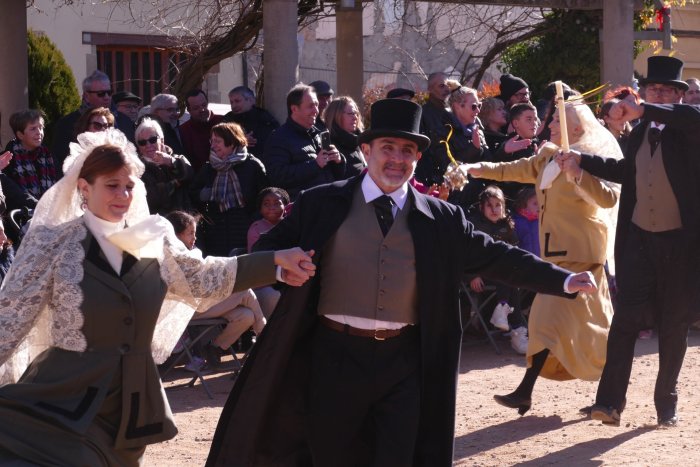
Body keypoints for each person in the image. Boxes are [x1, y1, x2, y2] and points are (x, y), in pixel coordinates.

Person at [206, 98, 597, 466]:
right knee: (331, 456)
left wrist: (563, 280)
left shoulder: (441, 218)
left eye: (407, 151)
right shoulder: (321, 203)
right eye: (387, 148)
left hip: (405, 362)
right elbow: (270, 250)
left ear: (417, 158)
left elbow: (496, 255)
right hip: (333, 356)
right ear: (366, 150)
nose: (396, 159)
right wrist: (279, 265)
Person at [0, 128, 314, 465]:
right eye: (112, 185)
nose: (123, 195)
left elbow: (204, 277)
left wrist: (274, 263)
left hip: (129, 413)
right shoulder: (53, 244)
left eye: (130, 187)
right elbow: (10, 319)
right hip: (58, 403)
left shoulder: (153, 238)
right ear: (83, 188)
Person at [561, 56, 700, 427]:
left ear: (680, 96)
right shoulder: (639, 131)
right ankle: (608, 402)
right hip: (640, 241)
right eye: (654, 88)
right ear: (645, 90)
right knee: (624, 322)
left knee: (674, 326)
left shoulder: (690, 125)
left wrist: (645, 107)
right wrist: (582, 160)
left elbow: (694, 118)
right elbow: (627, 172)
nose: (661, 94)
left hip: (681, 247)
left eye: (669, 90)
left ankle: (665, 402)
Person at [464, 95, 621, 416]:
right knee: (592, 329)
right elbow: (512, 170)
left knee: (544, 320)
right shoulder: (547, 158)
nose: (547, 124)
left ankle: (526, 390)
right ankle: (610, 394)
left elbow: (607, 199)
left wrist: (579, 172)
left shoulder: (591, 158)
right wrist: (476, 168)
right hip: (554, 256)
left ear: (574, 127)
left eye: (555, 120)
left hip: (582, 255)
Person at [166, 210, 266, 368]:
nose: (195, 238)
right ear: (177, 236)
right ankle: (265, 337)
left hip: (202, 305)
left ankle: (215, 348)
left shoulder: (189, 254)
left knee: (246, 315)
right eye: (190, 233)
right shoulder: (175, 257)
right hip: (187, 311)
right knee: (243, 290)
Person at [467, 185, 529, 354]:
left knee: (511, 275)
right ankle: (515, 327)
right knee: (507, 274)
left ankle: (507, 316)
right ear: (481, 207)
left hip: (502, 274)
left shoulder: (507, 225)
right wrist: (472, 275)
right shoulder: (474, 225)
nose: (494, 209)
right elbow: (464, 254)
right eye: (489, 205)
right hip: (480, 273)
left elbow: (515, 251)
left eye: (498, 205)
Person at [190, 122, 267, 255]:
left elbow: (265, 196)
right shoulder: (209, 168)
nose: (213, 145)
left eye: (217, 141)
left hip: (245, 230)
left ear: (231, 142)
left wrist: (253, 220)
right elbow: (192, 194)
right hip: (216, 233)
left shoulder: (252, 166)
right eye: (212, 141)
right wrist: (202, 195)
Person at [262, 84, 345, 200]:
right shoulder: (279, 138)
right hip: (302, 209)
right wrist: (315, 165)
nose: (316, 110)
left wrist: (338, 161)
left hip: (326, 204)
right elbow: (278, 177)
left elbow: (333, 174)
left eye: (316, 105)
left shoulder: (319, 134)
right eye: (311, 106)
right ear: (294, 109)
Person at [51, 70, 135, 173]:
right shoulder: (67, 124)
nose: (106, 97)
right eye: (101, 94)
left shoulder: (124, 122)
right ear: (86, 96)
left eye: (109, 92)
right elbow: (60, 162)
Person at [134, 118, 194, 214]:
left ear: (161, 140)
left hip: (185, 218)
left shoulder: (176, 157)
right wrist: (175, 183)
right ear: (139, 147)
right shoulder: (136, 168)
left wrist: (171, 162)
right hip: (158, 221)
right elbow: (149, 196)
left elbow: (190, 175)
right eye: (142, 142)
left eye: (152, 140)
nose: (148, 145)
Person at [246, 187, 289, 318]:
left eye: (277, 203)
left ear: (285, 206)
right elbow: (257, 262)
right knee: (273, 296)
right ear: (260, 208)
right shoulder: (256, 228)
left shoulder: (291, 226)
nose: (272, 207)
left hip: (289, 277)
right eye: (266, 204)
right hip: (264, 281)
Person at [5, 109, 57, 199]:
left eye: (41, 127)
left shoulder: (48, 156)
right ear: (20, 135)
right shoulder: (8, 160)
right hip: (21, 211)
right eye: (33, 129)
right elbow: (12, 195)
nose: (39, 132)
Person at [415, 71, 452, 185]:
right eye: (441, 86)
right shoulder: (422, 113)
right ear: (430, 89)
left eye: (448, 85)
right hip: (430, 176)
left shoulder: (452, 112)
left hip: (451, 172)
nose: (446, 89)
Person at [223, 86, 279, 158]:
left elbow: (273, 141)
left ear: (251, 100)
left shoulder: (264, 118)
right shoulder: (227, 119)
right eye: (231, 102)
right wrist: (239, 141)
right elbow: (217, 141)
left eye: (237, 101)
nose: (234, 106)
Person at [179, 89, 225, 172]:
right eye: (196, 108)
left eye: (204, 105)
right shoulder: (183, 130)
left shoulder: (224, 122)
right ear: (188, 110)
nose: (202, 110)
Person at [323, 95, 367, 178]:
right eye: (350, 113)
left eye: (356, 113)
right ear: (336, 116)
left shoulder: (360, 142)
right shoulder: (330, 146)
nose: (355, 117)